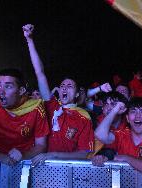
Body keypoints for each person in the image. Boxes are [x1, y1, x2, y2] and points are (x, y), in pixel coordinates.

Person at [23, 24, 94, 164]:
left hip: (67, 171)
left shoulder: (84, 117)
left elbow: (85, 153)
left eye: (69, 86)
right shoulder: (51, 106)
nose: (64, 89)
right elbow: (40, 73)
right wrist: (30, 40)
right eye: (62, 86)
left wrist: (53, 156)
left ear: (78, 94)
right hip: (40, 166)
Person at [0, 68, 50, 165]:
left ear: (21, 90)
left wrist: (24, 155)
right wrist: (1, 157)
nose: (1, 92)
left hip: (26, 163)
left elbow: (41, 145)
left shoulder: (36, 109)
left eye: (8, 87)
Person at [93, 97, 142, 177]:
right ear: (127, 118)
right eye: (133, 111)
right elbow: (99, 135)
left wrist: (126, 158)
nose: (137, 116)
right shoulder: (122, 134)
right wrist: (115, 110)